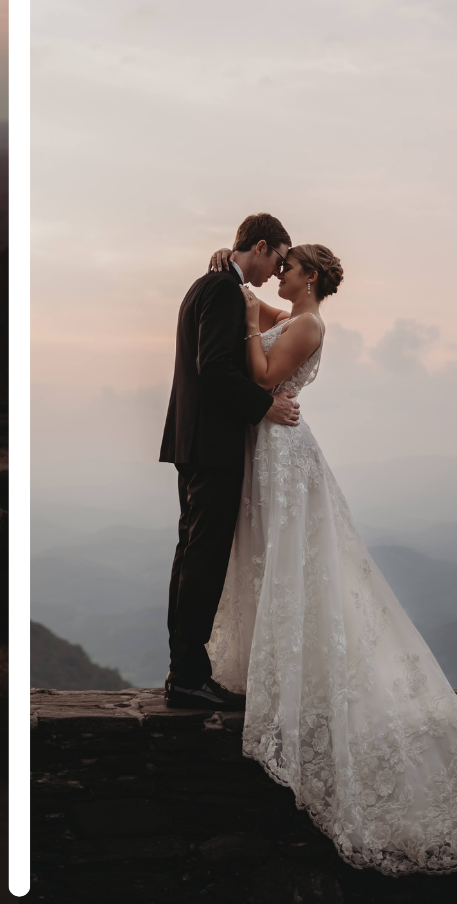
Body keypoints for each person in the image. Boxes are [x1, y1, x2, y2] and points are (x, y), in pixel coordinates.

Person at [203, 242, 457, 874]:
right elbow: (252, 300)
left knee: (298, 566)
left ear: (312, 276)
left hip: (284, 452)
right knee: (270, 561)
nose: (283, 274)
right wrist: (232, 264)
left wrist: (247, 326)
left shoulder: (311, 324)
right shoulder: (288, 317)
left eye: (290, 267)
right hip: (266, 452)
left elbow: (265, 380)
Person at [157, 212, 301, 712]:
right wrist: (266, 406)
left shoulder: (212, 283)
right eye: (278, 259)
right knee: (203, 560)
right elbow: (214, 367)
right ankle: (188, 679)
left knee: (191, 555)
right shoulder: (221, 289)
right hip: (212, 446)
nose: (276, 273)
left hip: (193, 442)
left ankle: (187, 673)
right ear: (260, 246)